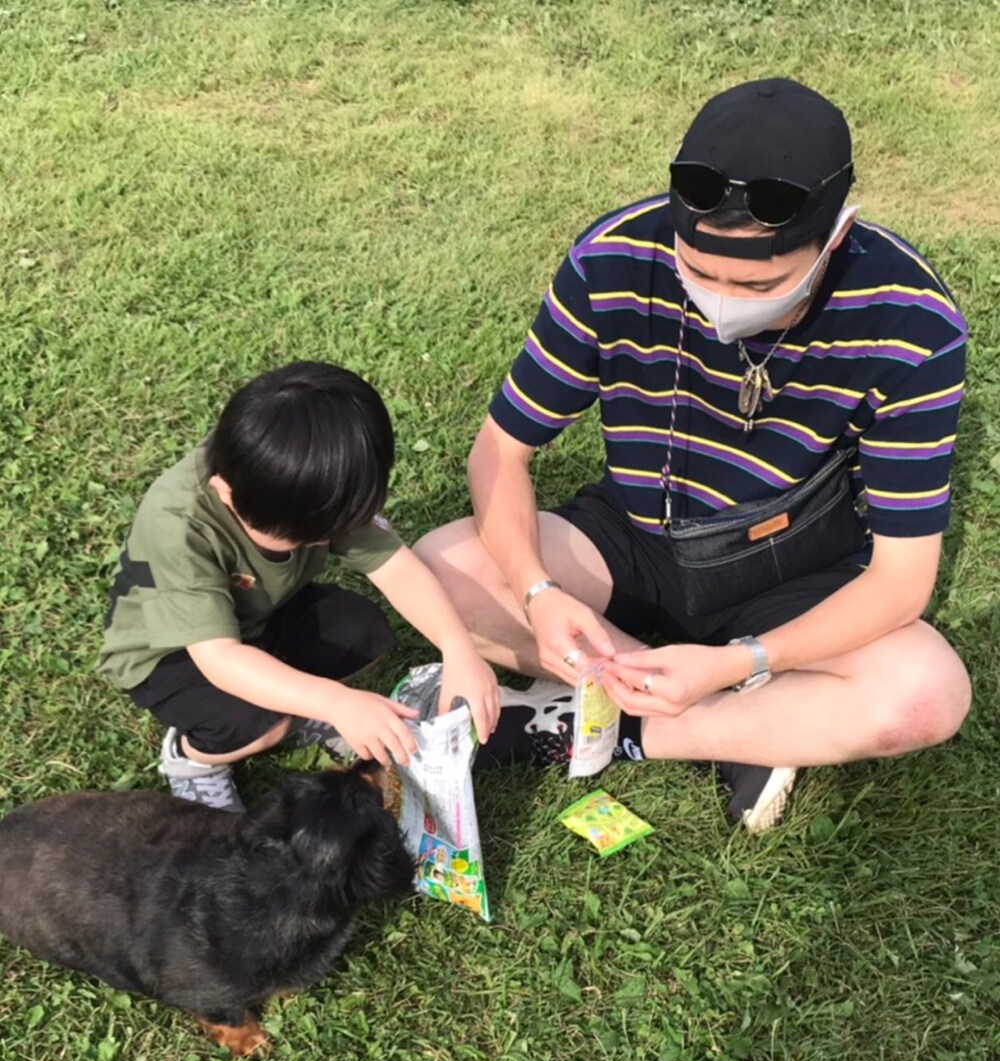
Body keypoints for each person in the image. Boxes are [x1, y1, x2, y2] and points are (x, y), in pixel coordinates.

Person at [416, 78, 971, 831]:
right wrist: (538, 592)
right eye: (698, 272)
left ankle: (614, 724)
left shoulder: (910, 318)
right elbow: (499, 453)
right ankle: (747, 728)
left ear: (835, 238)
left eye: (759, 283)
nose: (721, 301)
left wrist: (741, 661)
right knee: (441, 568)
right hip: (635, 534)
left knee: (928, 692)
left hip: (796, 561)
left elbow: (902, 581)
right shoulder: (612, 259)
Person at [98, 361, 499, 812]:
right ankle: (193, 760)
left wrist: (459, 648)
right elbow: (220, 659)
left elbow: (395, 567)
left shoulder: (313, 474)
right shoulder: (180, 527)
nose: (325, 542)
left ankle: (291, 709)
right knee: (258, 724)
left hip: (259, 616)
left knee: (362, 631)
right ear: (226, 494)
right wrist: (335, 702)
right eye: (304, 538)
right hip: (172, 654)